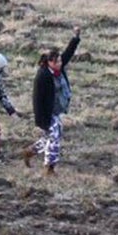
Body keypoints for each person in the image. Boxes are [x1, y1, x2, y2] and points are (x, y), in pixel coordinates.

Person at [32, 30, 82, 178]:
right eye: (57, 62)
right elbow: (37, 100)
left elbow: (68, 53)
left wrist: (76, 38)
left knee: (49, 137)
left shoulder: (58, 69)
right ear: (49, 63)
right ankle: (49, 168)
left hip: (57, 109)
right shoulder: (42, 76)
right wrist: (42, 120)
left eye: (60, 61)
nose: (60, 63)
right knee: (54, 138)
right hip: (47, 113)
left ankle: (31, 151)